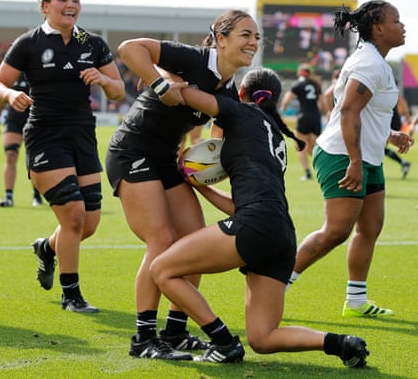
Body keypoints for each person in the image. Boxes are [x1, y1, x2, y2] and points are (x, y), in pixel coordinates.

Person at [150, 67, 369, 367]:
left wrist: (161, 76)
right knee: (263, 338)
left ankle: (224, 342)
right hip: (281, 233)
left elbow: (186, 95)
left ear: (241, 93)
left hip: (255, 225)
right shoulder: (275, 136)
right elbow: (244, 204)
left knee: (162, 269)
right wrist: (200, 188)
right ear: (275, 101)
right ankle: (341, 344)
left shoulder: (238, 112)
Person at [105, 9, 259, 360]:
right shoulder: (193, 58)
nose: (253, 43)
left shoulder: (230, 92)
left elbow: (218, 146)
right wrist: (160, 84)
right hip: (133, 152)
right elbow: (129, 49)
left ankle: (175, 331)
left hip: (168, 159)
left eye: (256, 38)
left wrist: (205, 162)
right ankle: (143, 339)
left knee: (193, 242)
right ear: (221, 39)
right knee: (161, 240)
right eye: (245, 35)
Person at [0, 0, 125, 313]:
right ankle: (72, 295)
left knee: (87, 224)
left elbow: (118, 90)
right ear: (46, 5)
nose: (72, 5)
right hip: (45, 137)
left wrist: (105, 79)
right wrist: (10, 94)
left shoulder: (93, 43)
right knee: (74, 216)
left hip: (83, 136)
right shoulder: (29, 43)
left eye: (76, 0)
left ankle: (47, 249)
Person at [286, 0, 413, 318]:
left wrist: (389, 135)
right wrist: (355, 162)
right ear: (379, 27)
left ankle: (356, 300)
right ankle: (275, 283)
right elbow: (347, 110)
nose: (403, 26)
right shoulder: (370, 63)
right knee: (336, 230)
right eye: (396, 21)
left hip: (365, 157)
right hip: (343, 156)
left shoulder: (377, 62)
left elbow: (361, 111)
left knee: (370, 227)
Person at [0, 74, 43, 208]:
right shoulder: (11, 70)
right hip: (13, 119)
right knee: (10, 155)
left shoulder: (36, 68)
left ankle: (36, 195)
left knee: (33, 159)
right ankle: (8, 196)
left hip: (33, 119)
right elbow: (0, 98)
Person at [280, 63, 326, 180]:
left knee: (300, 147)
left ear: (299, 73)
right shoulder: (316, 85)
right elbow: (323, 104)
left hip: (303, 117)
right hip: (315, 118)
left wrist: (283, 109)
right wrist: (325, 114)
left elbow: (286, 100)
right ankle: (324, 170)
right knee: (313, 149)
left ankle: (307, 173)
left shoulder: (298, 85)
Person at [384, 90, 411, 178]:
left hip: (391, 122)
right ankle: (403, 163)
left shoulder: (391, 92)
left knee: (381, 148)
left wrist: (408, 118)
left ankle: (403, 163)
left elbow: (402, 102)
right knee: (381, 148)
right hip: (392, 121)